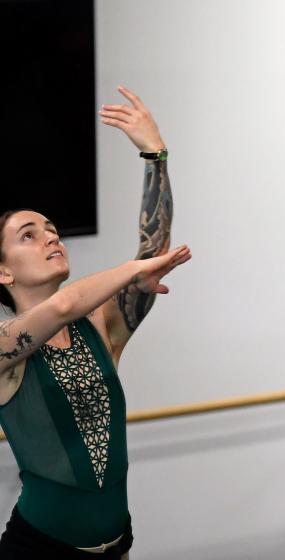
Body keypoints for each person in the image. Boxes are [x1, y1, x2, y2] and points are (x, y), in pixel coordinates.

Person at [0, 87, 190, 559]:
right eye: (29, 235)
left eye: (51, 229)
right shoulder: (5, 343)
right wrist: (130, 269)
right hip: (38, 549)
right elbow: (63, 307)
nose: (50, 237)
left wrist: (156, 153)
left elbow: (153, 252)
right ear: (3, 272)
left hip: (116, 543)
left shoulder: (99, 324)